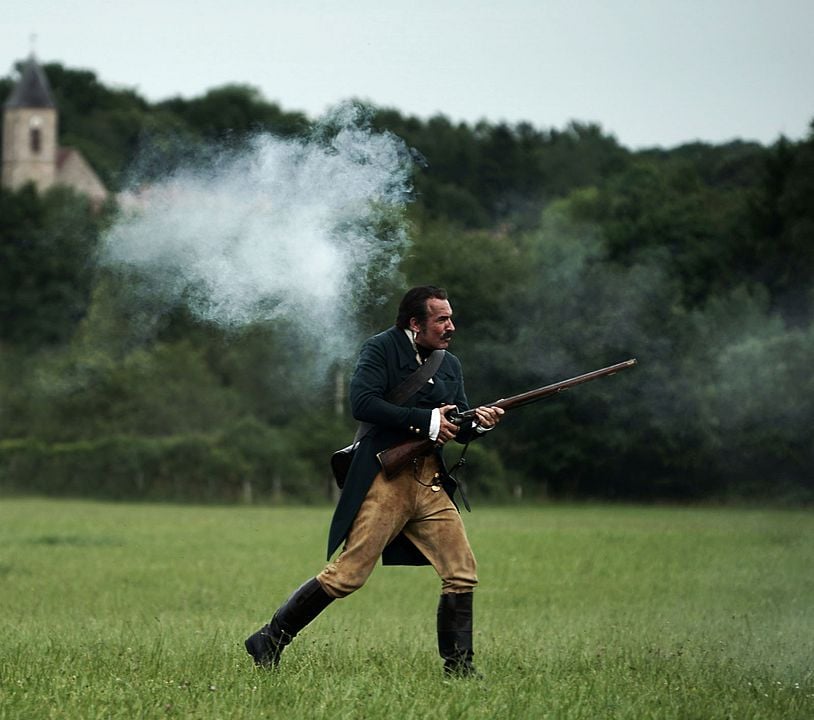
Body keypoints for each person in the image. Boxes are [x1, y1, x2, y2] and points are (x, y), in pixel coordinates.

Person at [244, 285, 503, 676]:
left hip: (429, 482)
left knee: (461, 571)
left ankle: (459, 667)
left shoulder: (449, 364)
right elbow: (363, 403)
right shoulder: (381, 348)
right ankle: (269, 639)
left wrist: (478, 425)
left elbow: (459, 424)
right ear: (415, 323)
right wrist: (427, 419)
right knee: (348, 575)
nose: (450, 326)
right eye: (441, 319)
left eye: (450, 318)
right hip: (387, 480)